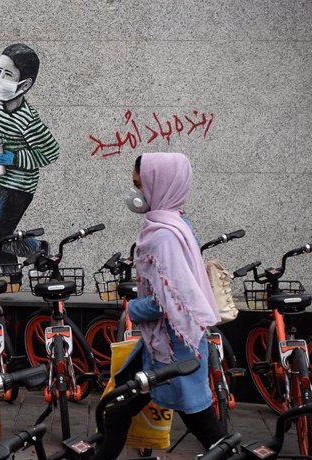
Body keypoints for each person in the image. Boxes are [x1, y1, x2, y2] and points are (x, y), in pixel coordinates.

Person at [98, 152, 226, 459]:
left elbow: (172, 300)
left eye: (139, 185)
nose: (137, 193)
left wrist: (134, 310)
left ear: (160, 185)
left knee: (205, 425)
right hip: (163, 346)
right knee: (116, 409)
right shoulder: (177, 222)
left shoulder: (164, 236)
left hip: (175, 350)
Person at [0, 43, 59, 265]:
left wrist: (14, 158)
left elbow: (50, 152)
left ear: (24, 84)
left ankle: (39, 249)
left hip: (20, 186)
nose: (0, 79)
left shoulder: (28, 119)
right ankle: (10, 279)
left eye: (7, 74)